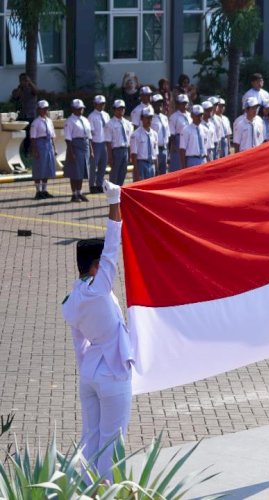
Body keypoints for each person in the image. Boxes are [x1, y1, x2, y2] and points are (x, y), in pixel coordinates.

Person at [62, 180, 135, 479]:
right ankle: (108, 491)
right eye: (100, 264)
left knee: (90, 437)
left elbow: (79, 344)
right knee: (112, 441)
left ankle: (85, 488)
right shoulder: (97, 289)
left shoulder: (71, 300)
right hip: (112, 372)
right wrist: (113, 201)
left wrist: (88, 371)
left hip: (90, 372)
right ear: (94, 268)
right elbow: (112, 248)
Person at [64, 99, 94, 202]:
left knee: (82, 171)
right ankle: (74, 194)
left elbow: (89, 137)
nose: (80, 111)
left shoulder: (85, 120)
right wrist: (70, 152)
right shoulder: (70, 121)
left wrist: (91, 150)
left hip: (85, 145)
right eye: (78, 109)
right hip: (75, 146)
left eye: (81, 109)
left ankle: (79, 192)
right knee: (74, 171)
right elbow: (68, 138)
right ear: (73, 109)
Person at [29, 100, 57, 199]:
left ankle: (44, 190)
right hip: (40, 144)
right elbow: (33, 138)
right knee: (38, 168)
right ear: (38, 110)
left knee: (47, 167)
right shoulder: (35, 123)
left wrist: (54, 148)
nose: (45, 110)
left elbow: (52, 135)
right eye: (43, 109)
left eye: (46, 108)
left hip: (48, 144)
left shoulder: (49, 121)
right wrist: (35, 150)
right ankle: (38, 191)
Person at [104, 100, 134, 186]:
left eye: (122, 109)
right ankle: (112, 191)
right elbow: (108, 142)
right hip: (116, 150)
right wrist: (110, 156)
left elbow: (129, 140)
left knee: (123, 172)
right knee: (114, 173)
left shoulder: (127, 123)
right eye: (118, 109)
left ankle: (119, 189)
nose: (121, 111)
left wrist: (130, 153)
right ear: (114, 110)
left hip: (125, 150)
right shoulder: (110, 124)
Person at [11, 73, 37, 165]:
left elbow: (36, 91)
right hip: (21, 116)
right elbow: (14, 97)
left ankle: (27, 153)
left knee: (30, 136)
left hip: (31, 116)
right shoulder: (17, 90)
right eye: (22, 80)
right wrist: (20, 88)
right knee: (20, 136)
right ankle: (20, 152)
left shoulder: (31, 90)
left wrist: (30, 83)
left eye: (25, 80)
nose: (24, 82)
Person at [88, 95, 110, 193]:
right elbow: (91, 133)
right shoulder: (91, 116)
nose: (101, 105)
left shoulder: (106, 115)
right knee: (93, 166)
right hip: (96, 143)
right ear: (95, 104)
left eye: (103, 104)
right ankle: (92, 185)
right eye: (99, 104)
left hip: (105, 142)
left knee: (103, 165)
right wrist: (91, 147)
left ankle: (99, 184)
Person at [130, 106, 158, 181]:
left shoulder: (154, 134)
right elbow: (134, 154)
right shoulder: (135, 134)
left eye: (150, 118)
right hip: (141, 164)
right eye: (147, 118)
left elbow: (155, 153)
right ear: (142, 118)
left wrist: (156, 168)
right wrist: (136, 170)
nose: (149, 120)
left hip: (151, 164)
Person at [168, 94, 191, 171]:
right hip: (178, 140)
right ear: (178, 104)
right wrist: (173, 145)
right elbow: (172, 133)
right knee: (177, 163)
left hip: (190, 140)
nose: (184, 105)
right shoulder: (174, 117)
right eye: (182, 103)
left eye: (185, 103)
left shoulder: (190, 115)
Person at [150, 94, 170, 175]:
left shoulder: (164, 117)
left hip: (164, 149)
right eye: (157, 103)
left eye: (161, 103)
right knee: (155, 173)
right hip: (155, 150)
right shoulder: (150, 118)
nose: (160, 105)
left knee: (163, 173)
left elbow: (168, 135)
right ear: (153, 105)